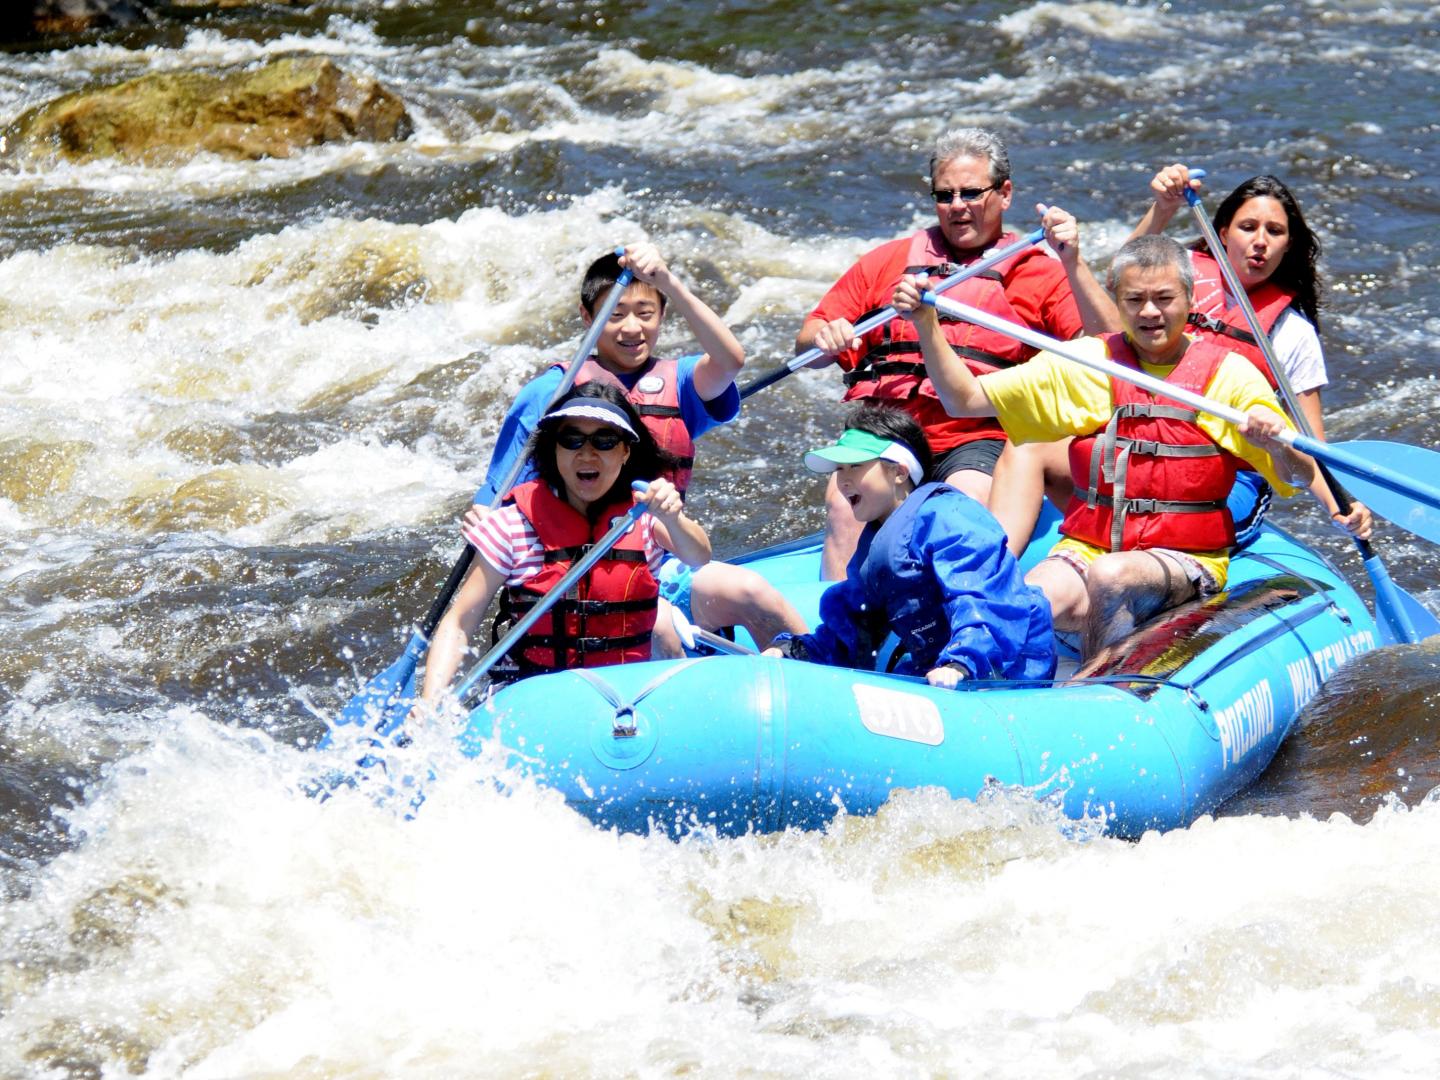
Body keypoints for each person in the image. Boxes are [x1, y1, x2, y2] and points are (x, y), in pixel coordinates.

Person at [892, 233, 1370, 660]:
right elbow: (964, 398)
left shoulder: (1228, 376)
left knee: (1112, 577)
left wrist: (1276, 443)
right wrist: (926, 323)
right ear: (1117, 302)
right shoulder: (1091, 363)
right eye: (1135, 299)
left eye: (1164, 298)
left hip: (1187, 562)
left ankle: (1099, 691)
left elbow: (1295, 472)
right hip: (1089, 546)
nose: (1150, 312)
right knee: (1029, 600)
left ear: (1188, 300)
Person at [795, 126, 1120, 578]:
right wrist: (824, 339)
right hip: (889, 430)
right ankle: (839, 634)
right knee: (843, 500)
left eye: (971, 192)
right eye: (944, 195)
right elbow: (809, 341)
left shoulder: (1037, 272)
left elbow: (1114, 346)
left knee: (963, 502)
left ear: (1005, 194)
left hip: (976, 438)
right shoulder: (886, 262)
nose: (957, 206)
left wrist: (1074, 260)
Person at [471, 243, 806, 654]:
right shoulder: (550, 392)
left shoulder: (680, 383)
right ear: (587, 319)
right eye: (615, 316)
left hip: (665, 563)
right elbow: (498, 495)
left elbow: (730, 361)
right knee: (659, 623)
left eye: (646, 314)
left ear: (662, 315)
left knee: (751, 590)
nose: (632, 328)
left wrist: (667, 282)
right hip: (583, 573)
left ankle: (820, 670)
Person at [420, 384, 711, 705]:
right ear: (554, 450)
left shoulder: (644, 515)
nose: (587, 454)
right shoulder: (512, 525)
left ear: (625, 451)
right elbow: (460, 621)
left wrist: (673, 518)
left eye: (605, 440)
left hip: (628, 690)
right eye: (572, 440)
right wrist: (430, 701)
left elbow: (699, 555)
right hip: (540, 695)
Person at [1134, 166, 1369, 540]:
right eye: (1248, 228)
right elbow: (1122, 282)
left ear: (1288, 245)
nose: (1260, 241)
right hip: (1147, 446)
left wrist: (1341, 506)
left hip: (1231, 474)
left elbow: (1310, 445)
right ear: (1223, 233)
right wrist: (1163, 208)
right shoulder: (1177, 280)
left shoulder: (1293, 333)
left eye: (1274, 232)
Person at [761, 403, 1055, 686]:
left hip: (1007, 665)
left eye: (855, 466)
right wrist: (799, 651)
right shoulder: (875, 542)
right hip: (938, 664)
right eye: (839, 469)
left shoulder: (948, 515)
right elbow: (855, 626)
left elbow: (981, 595)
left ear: (899, 472)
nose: (843, 480)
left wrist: (962, 661)